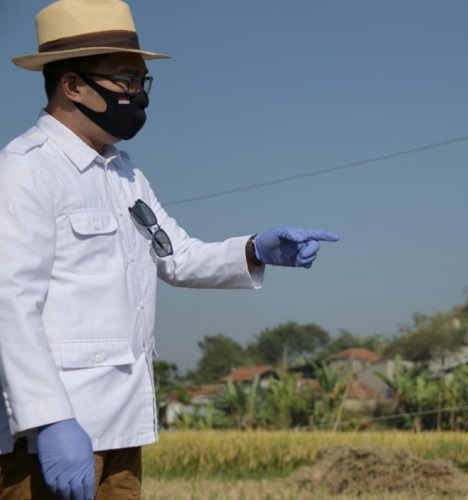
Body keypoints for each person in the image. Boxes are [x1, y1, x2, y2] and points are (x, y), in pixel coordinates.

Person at [0, 1, 339, 498]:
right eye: (124, 81)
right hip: (52, 435)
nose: (138, 95)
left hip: (120, 429)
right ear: (72, 85)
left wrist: (256, 250)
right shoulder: (25, 171)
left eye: (142, 82)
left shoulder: (124, 173)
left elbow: (174, 255)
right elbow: (9, 304)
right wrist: (49, 419)